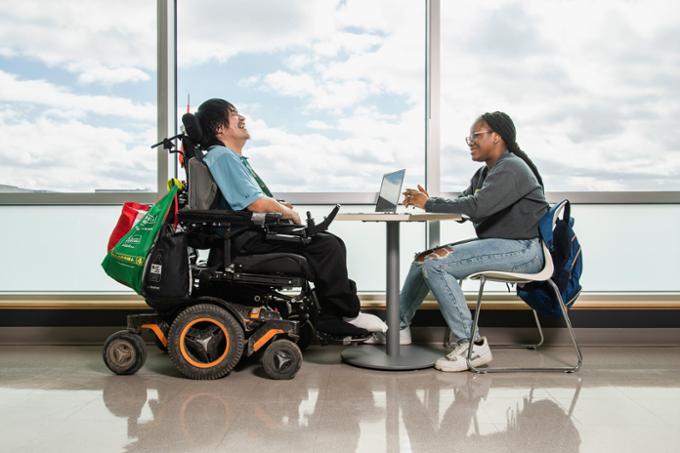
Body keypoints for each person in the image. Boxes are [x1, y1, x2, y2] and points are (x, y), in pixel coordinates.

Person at [194, 98, 387, 335]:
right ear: (219, 128)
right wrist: (286, 212)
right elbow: (255, 202)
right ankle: (341, 314)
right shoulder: (223, 157)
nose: (242, 118)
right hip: (243, 240)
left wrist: (278, 206)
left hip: (244, 233)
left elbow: (247, 199)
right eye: (233, 113)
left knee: (328, 242)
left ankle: (335, 312)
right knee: (327, 246)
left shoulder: (227, 157)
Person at [401, 111, 549, 372]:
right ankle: (399, 328)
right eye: (468, 137)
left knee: (436, 265)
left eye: (476, 135)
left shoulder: (511, 168)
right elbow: (465, 205)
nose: (470, 141)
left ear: (497, 137)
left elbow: (477, 207)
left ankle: (471, 345)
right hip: (505, 245)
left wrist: (430, 204)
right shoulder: (484, 174)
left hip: (525, 250)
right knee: (422, 260)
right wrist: (430, 201)